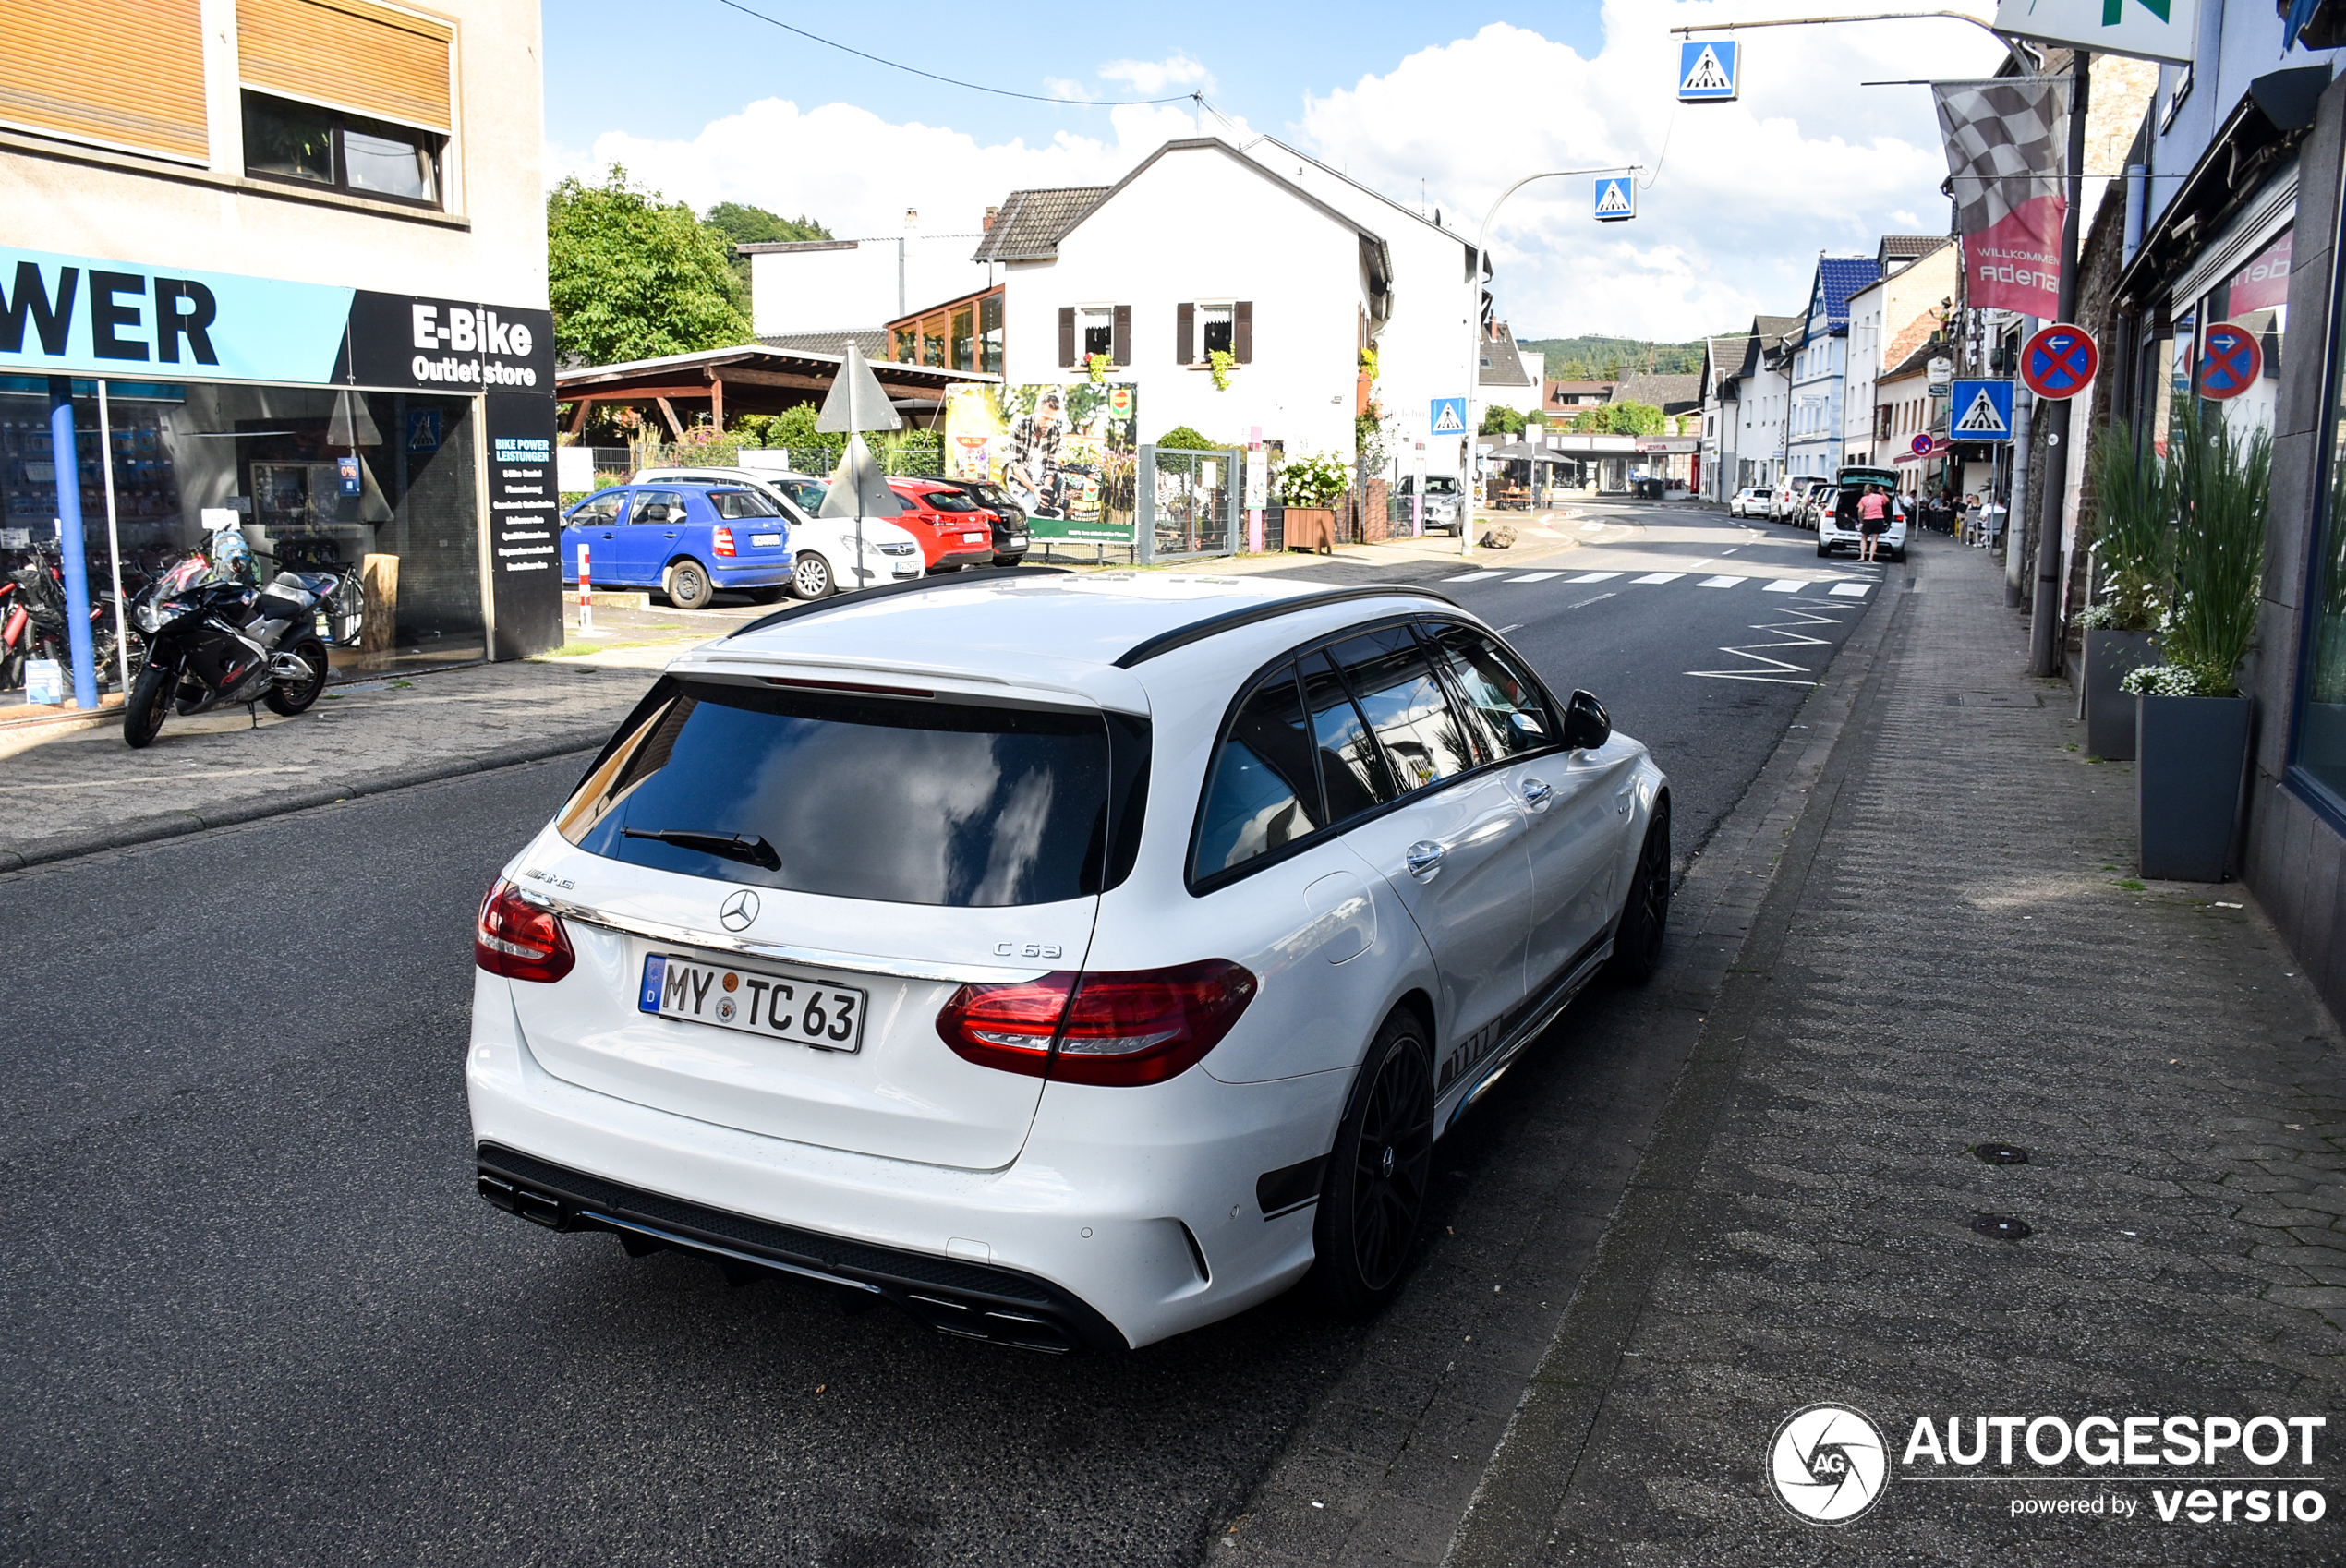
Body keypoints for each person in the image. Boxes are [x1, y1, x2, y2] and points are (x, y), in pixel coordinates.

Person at [1003, 392, 1066, 517]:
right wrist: (1034, 489)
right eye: (1045, 418)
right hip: (1021, 485)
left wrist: (1046, 488)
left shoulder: (1056, 433)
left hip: (1043, 482)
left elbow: (1051, 466)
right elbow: (1016, 465)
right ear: (1036, 410)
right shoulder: (1020, 427)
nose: (1048, 424)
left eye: (1052, 420)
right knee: (1028, 518)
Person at [1857, 483, 1890, 562]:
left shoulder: (1863, 499)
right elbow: (1887, 501)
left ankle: (1862, 556)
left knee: (1864, 538)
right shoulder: (1879, 497)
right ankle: (1871, 558)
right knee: (1874, 539)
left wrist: (1861, 519)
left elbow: (1860, 510)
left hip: (1868, 519)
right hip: (1878, 519)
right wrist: (1882, 492)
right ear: (1874, 490)